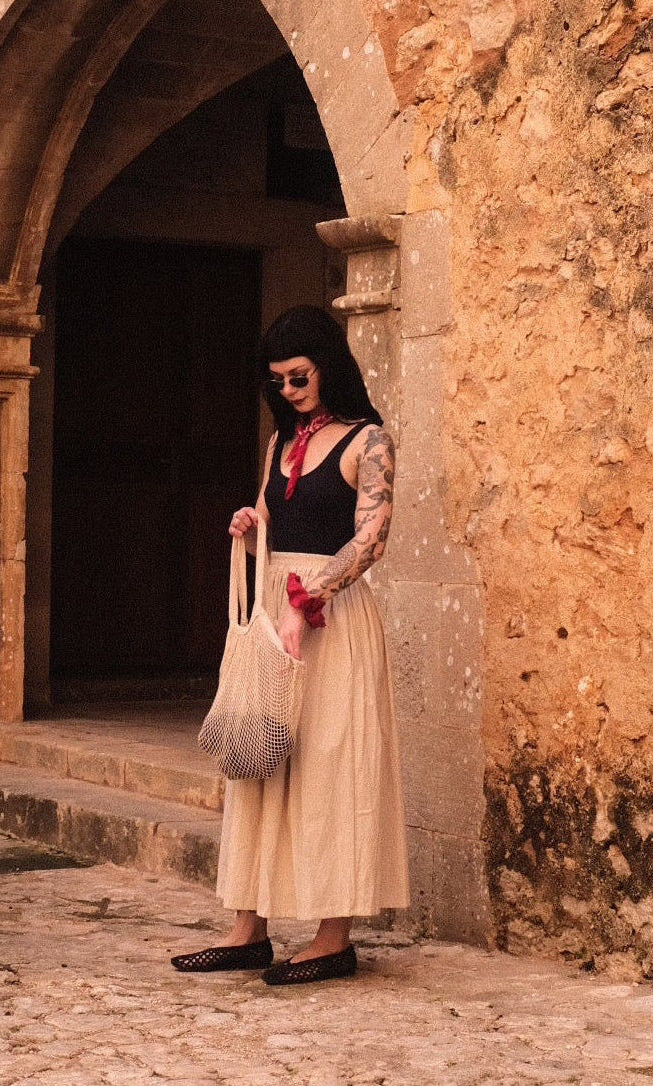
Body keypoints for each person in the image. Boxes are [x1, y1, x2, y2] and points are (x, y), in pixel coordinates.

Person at [171, 305, 410, 985]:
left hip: (329, 616)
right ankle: (248, 930)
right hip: (275, 607)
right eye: (276, 380)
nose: (287, 389)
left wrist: (308, 604)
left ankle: (333, 940)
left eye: (297, 376)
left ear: (325, 366)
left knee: (330, 768)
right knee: (257, 756)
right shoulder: (281, 445)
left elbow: (370, 540)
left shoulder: (369, 443)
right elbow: (275, 518)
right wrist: (250, 523)